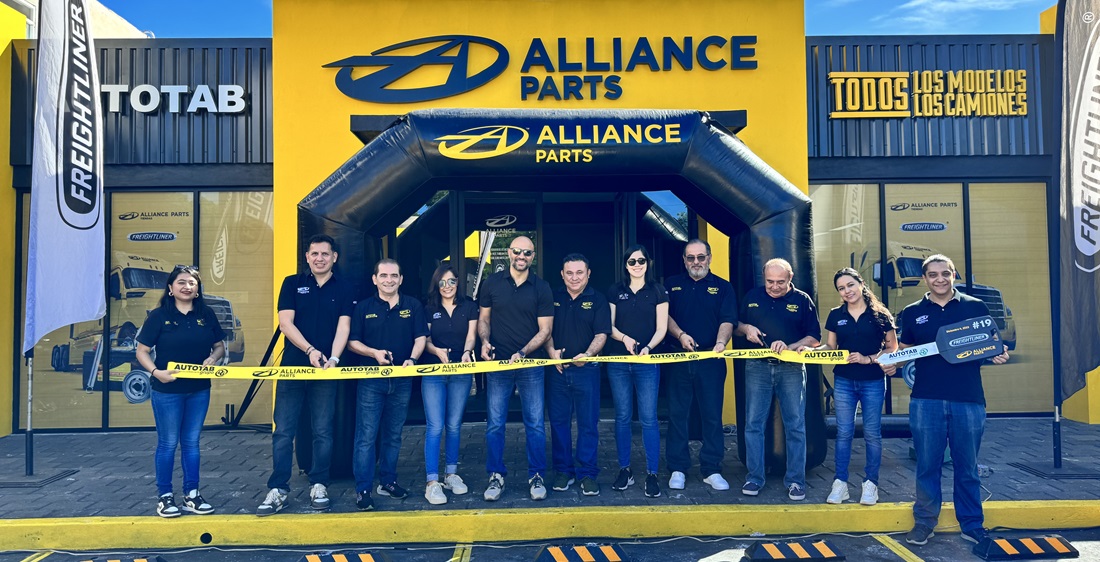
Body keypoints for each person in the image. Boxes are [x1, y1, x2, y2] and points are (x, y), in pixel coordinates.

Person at [884, 255, 1009, 547]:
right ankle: (924, 523)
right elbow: (906, 350)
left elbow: (992, 344)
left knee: (967, 467)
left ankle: (972, 524)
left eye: (945, 273)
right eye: (933, 274)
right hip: (926, 399)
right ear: (925, 278)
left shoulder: (975, 306)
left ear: (953, 275)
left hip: (968, 398)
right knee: (927, 465)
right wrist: (893, 363)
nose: (939, 279)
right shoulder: (913, 312)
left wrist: (998, 353)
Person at [258, 234, 355, 516]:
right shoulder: (292, 283)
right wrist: (310, 350)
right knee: (283, 432)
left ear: (334, 257)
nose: (319, 258)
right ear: (307, 257)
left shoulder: (345, 287)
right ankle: (278, 489)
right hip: (292, 367)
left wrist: (334, 358)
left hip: (326, 370)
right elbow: (285, 324)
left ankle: (319, 484)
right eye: (314, 254)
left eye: (325, 254)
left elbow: (344, 327)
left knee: (322, 431)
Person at [136, 265, 226, 518]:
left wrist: (214, 358)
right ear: (171, 288)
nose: (187, 287)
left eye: (192, 283)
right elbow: (142, 351)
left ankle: (192, 495)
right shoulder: (159, 316)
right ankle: (165, 497)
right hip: (167, 391)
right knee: (167, 443)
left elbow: (219, 346)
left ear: (198, 289)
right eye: (182, 282)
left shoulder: (206, 314)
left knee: (191, 443)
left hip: (199, 389)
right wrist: (156, 372)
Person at [736, 258, 821, 501]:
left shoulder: (802, 300)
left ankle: (795, 481)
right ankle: (754, 477)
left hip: (792, 368)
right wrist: (747, 329)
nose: (774, 286)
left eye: (780, 282)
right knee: (753, 424)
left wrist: (791, 346)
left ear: (790, 278)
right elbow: (736, 325)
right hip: (757, 367)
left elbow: (815, 337)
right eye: (770, 281)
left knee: (795, 425)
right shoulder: (752, 296)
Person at [347, 258, 428, 511]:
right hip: (371, 379)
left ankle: (388, 482)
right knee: (366, 437)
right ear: (375, 279)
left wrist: (413, 359)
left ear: (401, 279)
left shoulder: (413, 305)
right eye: (383, 275)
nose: (389, 280)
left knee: (393, 435)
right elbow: (352, 342)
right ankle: (363, 490)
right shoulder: (363, 307)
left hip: (402, 380)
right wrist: (373, 353)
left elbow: (421, 338)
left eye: (394, 276)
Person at [478, 235, 554, 502]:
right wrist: (484, 341)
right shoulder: (491, 283)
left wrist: (523, 352)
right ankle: (495, 476)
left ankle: (536, 476)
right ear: (509, 253)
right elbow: (484, 319)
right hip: (498, 364)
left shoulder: (541, 287)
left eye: (527, 253)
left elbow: (546, 330)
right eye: (517, 251)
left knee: (535, 424)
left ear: (533, 257)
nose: (522, 256)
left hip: (530, 364)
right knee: (495, 425)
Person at [664, 239, 737, 492]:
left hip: (711, 359)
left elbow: (728, 319)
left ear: (709, 258)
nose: (696, 262)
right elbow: (664, 316)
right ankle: (677, 468)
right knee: (677, 415)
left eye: (701, 257)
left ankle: (712, 468)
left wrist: (720, 343)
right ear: (684, 260)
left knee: (712, 415)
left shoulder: (723, 287)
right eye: (691, 258)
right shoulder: (671, 284)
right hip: (678, 358)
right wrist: (680, 335)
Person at [820, 268, 897, 506]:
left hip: (873, 380)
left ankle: (871, 484)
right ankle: (840, 484)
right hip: (844, 380)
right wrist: (811, 352)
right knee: (844, 433)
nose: (847, 291)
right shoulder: (836, 315)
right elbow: (830, 347)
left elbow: (892, 348)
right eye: (841, 288)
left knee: (872, 433)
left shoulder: (881, 314)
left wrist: (868, 359)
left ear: (861, 284)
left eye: (850, 285)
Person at [545, 253, 611, 497]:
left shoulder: (598, 299)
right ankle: (563, 471)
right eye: (569, 273)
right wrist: (551, 351)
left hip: (587, 370)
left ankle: (587, 474)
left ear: (588, 274)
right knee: (558, 423)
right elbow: (545, 329)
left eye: (579, 273)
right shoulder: (552, 297)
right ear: (562, 275)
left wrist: (589, 354)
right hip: (558, 370)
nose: (574, 278)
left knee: (588, 424)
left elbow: (602, 334)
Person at [606, 244, 668, 498]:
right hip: (618, 362)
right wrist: (625, 339)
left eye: (641, 261)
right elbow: (609, 326)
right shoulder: (615, 290)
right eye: (632, 261)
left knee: (649, 418)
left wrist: (648, 348)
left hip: (647, 361)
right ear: (625, 265)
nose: (637, 265)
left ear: (647, 263)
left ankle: (652, 473)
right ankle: (625, 470)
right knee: (622, 417)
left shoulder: (658, 290)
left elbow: (662, 328)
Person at [422, 262, 478, 505]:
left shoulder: (469, 306)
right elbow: (424, 340)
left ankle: (451, 474)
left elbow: (471, 335)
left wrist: (467, 352)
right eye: (442, 282)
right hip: (434, 371)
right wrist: (436, 351)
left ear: (458, 282)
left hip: (461, 371)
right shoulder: (428, 308)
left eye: (451, 281)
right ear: (437, 284)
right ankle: (432, 482)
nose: (447, 286)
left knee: (454, 425)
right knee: (435, 426)